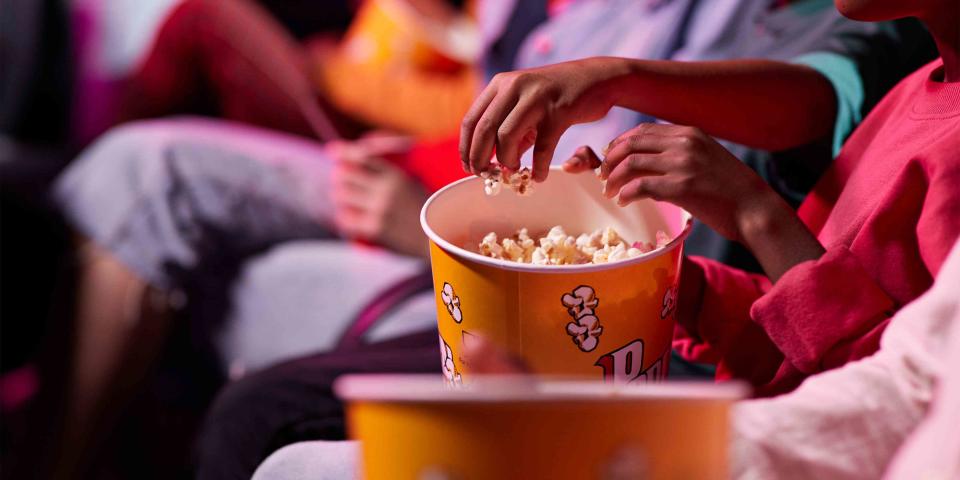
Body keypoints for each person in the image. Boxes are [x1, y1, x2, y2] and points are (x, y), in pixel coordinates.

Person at [42, 0, 933, 478]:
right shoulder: (916, 90)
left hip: (698, 367)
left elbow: (878, 380)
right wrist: (680, 284)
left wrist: (744, 219)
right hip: (619, 278)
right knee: (174, 163)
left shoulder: (863, 61)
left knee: (265, 416)